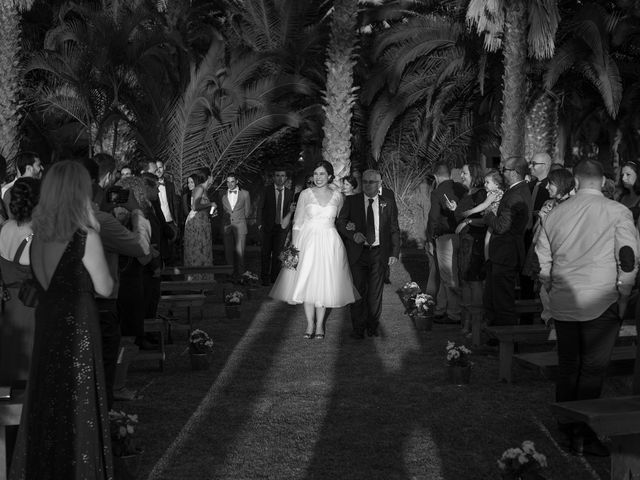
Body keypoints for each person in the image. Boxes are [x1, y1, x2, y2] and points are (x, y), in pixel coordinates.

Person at [10, 160, 114, 479]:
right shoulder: (84, 236)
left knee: (48, 401)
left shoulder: (38, 235)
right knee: (79, 402)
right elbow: (105, 288)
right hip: (78, 327)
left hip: (47, 324)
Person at [536, 158, 639, 456]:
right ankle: (582, 432)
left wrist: (549, 284)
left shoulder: (554, 214)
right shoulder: (617, 211)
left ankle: (566, 426)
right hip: (602, 300)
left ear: (577, 181)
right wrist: (623, 295)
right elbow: (628, 257)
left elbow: (543, 257)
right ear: (602, 181)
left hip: (565, 300)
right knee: (593, 369)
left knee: (569, 365)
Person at [83, 154, 151, 406]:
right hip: (103, 298)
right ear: (109, 177)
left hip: (72, 302)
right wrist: (135, 214)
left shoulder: (55, 220)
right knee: (104, 364)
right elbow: (140, 248)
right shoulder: (99, 221)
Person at [271, 161, 359, 338]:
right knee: (307, 281)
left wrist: (352, 228)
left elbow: (341, 222)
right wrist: (295, 248)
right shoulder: (305, 194)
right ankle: (310, 324)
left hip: (330, 243)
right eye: (316, 174)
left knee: (324, 282)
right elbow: (297, 222)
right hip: (307, 242)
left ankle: (320, 326)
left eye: (322, 174)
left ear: (330, 176)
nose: (318, 178)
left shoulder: (338, 197)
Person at [337, 168, 400, 339]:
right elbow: (341, 222)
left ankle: (372, 326)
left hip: (379, 253)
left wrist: (394, 252)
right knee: (357, 292)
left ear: (379, 184)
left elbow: (394, 228)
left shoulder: (387, 202)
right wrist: (352, 234)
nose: (367, 185)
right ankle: (358, 329)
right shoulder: (352, 201)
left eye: (372, 182)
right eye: (365, 181)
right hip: (358, 254)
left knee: (374, 293)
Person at [476, 156, 532, 326]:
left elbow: (501, 227)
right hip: (501, 254)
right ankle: (496, 338)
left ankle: (507, 343)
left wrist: (488, 214)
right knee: (492, 299)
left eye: (505, 169)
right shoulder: (515, 190)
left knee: (503, 302)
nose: (502, 172)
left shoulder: (516, 194)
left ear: (515, 172)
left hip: (506, 255)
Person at [0, 178, 40, 385]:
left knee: (10, 362)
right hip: (31, 306)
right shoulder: (36, 234)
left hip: (8, 307)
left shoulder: (4, 228)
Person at [446, 162, 487, 336]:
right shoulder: (467, 193)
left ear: (474, 174)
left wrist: (468, 221)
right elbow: (462, 216)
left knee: (474, 281)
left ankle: (475, 325)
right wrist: (455, 210)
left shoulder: (481, 194)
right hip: (464, 243)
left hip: (475, 243)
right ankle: (466, 324)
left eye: (464, 173)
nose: (461, 176)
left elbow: (486, 220)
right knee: (465, 281)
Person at [426, 161, 467, 324]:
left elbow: (433, 218)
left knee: (448, 277)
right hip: (462, 234)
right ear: (450, 175)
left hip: (445, 238)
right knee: (448, 276)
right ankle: (440, 309)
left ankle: (454, 313)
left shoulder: (437, 192)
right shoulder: (461, 189)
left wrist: (430, 239)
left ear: (435, 176)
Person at [259, 169, 294, 286]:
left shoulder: (290, 193)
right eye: (277, 175)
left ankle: (274, 278)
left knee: (278, 254)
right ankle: (264, 277)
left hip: (281, 228)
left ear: (286, 178)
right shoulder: (266, 190)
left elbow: (290, 211)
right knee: (265, 253)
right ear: (274, 177)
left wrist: (287, 227)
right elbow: (260, 208)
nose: (280, 178)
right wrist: (259, 224)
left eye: (283, 176)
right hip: (267, 227)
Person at [184, 168, 216, 281]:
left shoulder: (204, 189)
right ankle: (195, 281)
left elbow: (204, 207)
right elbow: (195, 206)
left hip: (203, 221)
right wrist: (210, 204)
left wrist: (212, 211)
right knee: (197, 251)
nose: (213, 178)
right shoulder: (199, 188)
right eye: (212, 176)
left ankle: (203, 280)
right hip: (196, 223)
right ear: (209, 177)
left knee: (203, 250)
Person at [220, 173, 251, 280]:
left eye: (232, 181)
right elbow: (221, 211)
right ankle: (230, 274)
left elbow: (247, 212)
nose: (229, 184)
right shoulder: (222, 194)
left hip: (240, 226)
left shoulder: (245, 194)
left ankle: (241, 275)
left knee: (240, 252)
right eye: (227, 182)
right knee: (228, 252)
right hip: (227, 226)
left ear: (237, 181)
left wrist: (240, 219)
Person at [2, 152, 43, 219]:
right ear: (29, 168)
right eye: (39, 165)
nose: (42, 168)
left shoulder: (41, 188)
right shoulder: (10, 192)